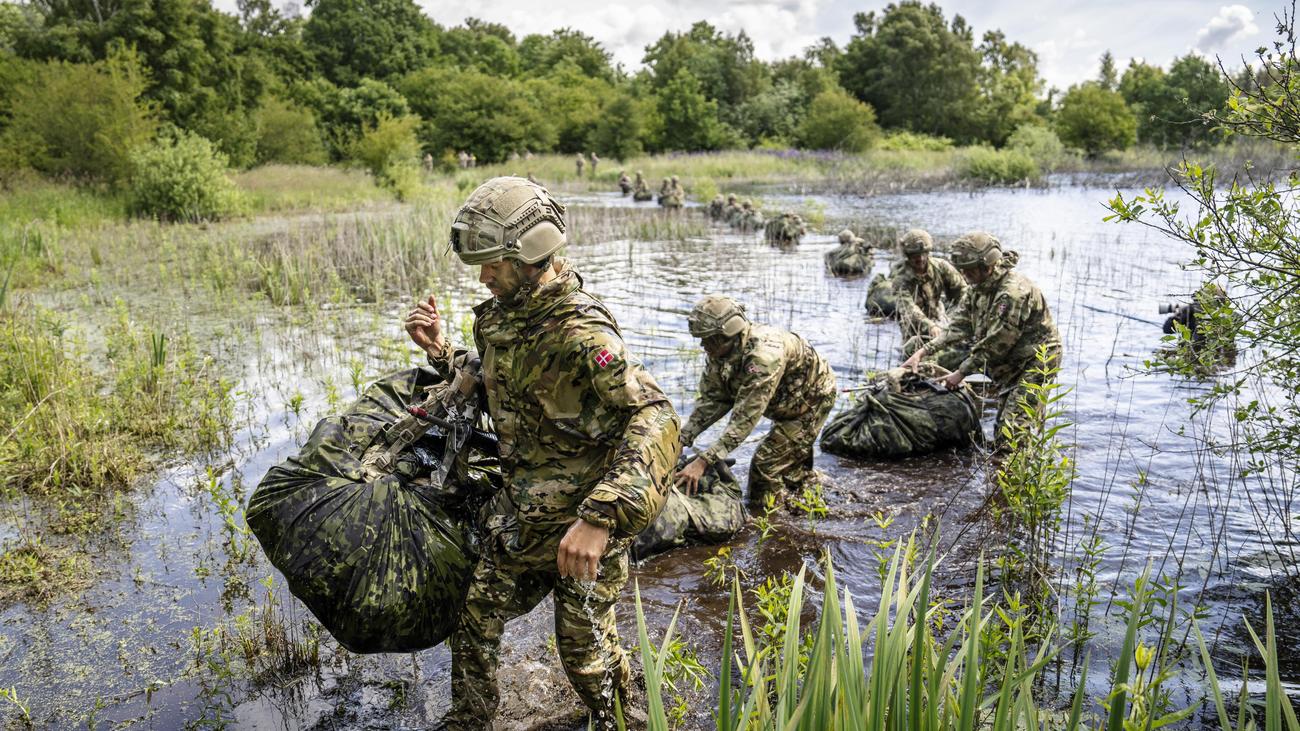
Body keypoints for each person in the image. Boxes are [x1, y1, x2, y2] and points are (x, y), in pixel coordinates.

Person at [403, 176, 680, 730]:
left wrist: (600, 519)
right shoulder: (502, 318)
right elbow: (491, 381)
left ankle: (631, 721)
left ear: (532, 255)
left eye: (493, 265)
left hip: (584, 521)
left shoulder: (582, 332)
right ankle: (472, 719)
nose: (483, 277)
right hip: (523, 515)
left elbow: (657, 418)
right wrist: (441, 350)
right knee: (474, 609)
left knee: (583, 653)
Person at [676, 295, 836, 506]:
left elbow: (744, 419)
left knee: (765, 466)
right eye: (701, 338)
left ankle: (775, 522)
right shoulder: (720, 353)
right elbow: (713, 400)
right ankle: (807, 491)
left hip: (810, 402)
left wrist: (703, 461)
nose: (703, 345)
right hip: (782, 399)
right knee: (787, 466)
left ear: (728, 333)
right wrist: (682, 439)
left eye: (709, 339)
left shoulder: (763, 357)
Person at [901, 231, 1061, 440]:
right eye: (962, 270)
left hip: (1037, 360)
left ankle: (1022, 466)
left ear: (988, 264)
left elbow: (995, 345)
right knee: (1003, 427)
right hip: (1010, 363)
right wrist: (922, 352)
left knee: (1012, 432)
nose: (964, 276)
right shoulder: (977, 288)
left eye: (969, 271)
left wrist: (960, 373)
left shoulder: (1011, 294)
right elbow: (958, 326)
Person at [891, 229, 967, 365]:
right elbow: (909, 309)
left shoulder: (941, 266)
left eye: (923, 254)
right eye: (915, 255)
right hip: (914, 329)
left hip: (939, 317)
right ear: (907, 255)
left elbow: (962, 291)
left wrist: (961, 316)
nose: (920, 259)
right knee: (915, 359)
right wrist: (930, 326)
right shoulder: (900, 278)